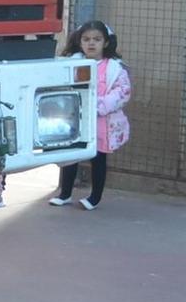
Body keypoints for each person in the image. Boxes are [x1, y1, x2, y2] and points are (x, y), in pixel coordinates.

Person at [51, 20, 131, 211]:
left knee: (98, 158)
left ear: (105, 42)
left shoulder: (114, 68)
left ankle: (95, 197)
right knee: (71, 155)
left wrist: (101, 105)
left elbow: (123, 91)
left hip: (101, 122)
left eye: (96, 39)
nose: (91, 43)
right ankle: (65, 193)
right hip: (76, 120)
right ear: (80, 42)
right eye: (86, 39)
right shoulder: (72, 64)